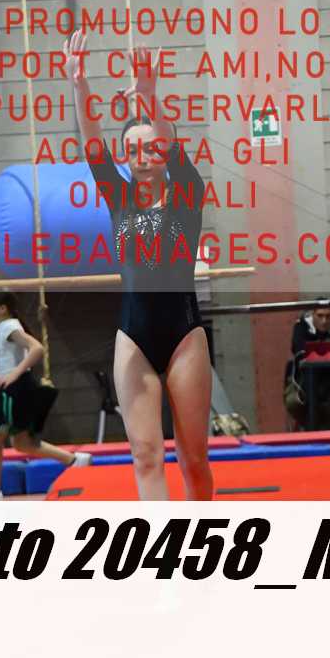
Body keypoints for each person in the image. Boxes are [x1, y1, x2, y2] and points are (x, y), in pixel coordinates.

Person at [64, 31, 213, 500]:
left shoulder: (187, 193)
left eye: (151, 148)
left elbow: (171, 142)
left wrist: (150, 96)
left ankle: (201, 536)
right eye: (131, 150)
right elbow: (93, 146)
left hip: (184, 337)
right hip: (134, 337)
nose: (142, 157)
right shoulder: (118, 198)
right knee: (146, 455)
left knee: (193, 458)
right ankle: (162, 543)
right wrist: (79, 84)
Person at [0, 291, 91, 500]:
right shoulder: (7, 326)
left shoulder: (8, 327)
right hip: (17, 387)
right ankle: (74, 460)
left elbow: (36, 349)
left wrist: (13, 375)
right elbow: (17, 359)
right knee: (22, 443)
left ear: (2, 308)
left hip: (15, 390)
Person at [285, 301, 330, 430]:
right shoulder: (301, 325)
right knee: (311, 391)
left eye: (328, 316)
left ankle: (313, 429)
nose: (324, 321)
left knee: (327, 400)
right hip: (302, 383)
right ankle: (317, 428)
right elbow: (298, 349)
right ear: (313, 314)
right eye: (320, 316)